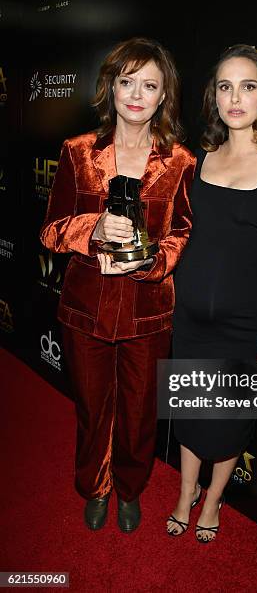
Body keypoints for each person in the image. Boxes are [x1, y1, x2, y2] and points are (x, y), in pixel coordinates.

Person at [40, 37, 195, 533]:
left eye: (149, 85)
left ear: (163, 95)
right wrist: (91, 228)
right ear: (110, 86)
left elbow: (183, 232)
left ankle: (129, 489)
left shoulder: (181, 162)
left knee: (138, 414)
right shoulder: (78, 151)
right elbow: (49, 229)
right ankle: (95, 487)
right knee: (92, 409)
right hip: (85, 307)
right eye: (127, 81)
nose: (136, 94)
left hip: (148, 311)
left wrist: (150, 261)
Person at [166, 44, 257, 542]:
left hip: (244, 326)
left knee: (227, 422)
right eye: (225, 86)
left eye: (248, 86)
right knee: (189, 410)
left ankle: (213, 499)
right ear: (214, 96)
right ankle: (185, 493)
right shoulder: (197, 160)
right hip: (188, 317)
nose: (235, 97)